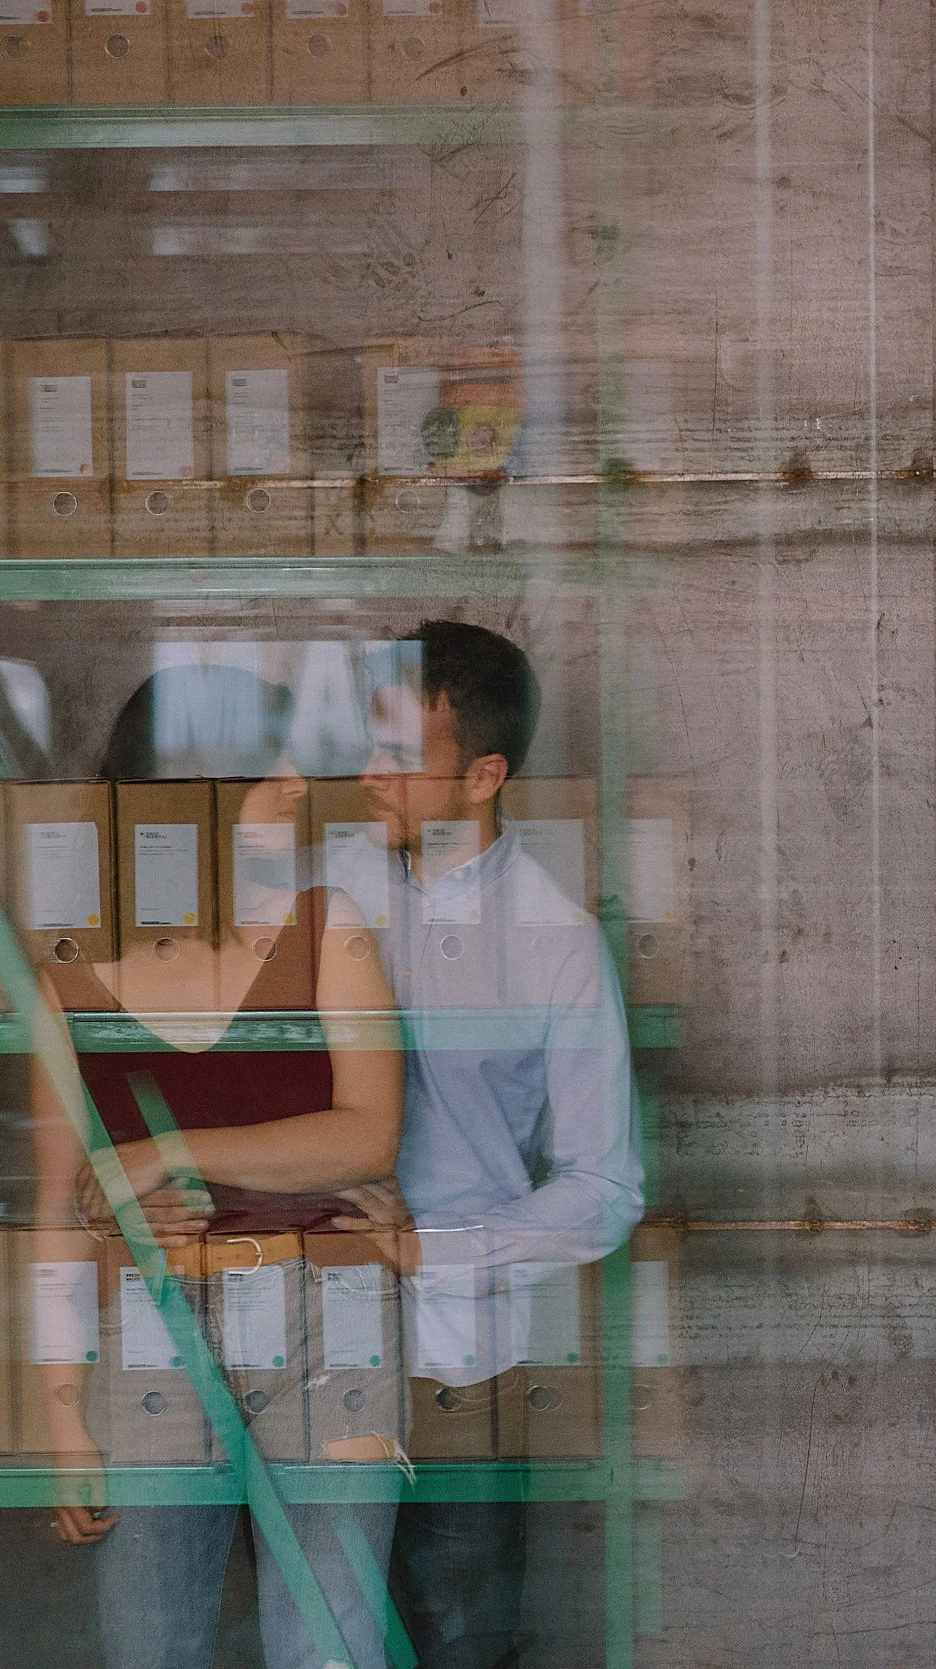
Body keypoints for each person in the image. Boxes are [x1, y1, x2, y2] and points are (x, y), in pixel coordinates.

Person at [34, 665, 409, 1669]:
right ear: (183, 796)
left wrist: (164, 1150)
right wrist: (63, 1418)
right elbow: (58, 1211)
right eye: (264, 768)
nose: (296, 784)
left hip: (329, 1319)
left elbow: (369, 1137)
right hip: (153, 1327)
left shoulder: (328, 925)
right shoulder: (70, 976)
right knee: (149, 1647)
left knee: (330, 1648)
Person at [325, 620, 646, 1669]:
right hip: (304, 1347)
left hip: (457, 1362)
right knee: (313, 1645)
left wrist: (438, 1249)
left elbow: (606, 1184)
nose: (368, 773)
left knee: (462, 1645)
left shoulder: (556, 942)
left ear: (483, 775)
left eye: (398, 752)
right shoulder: (325, 894)